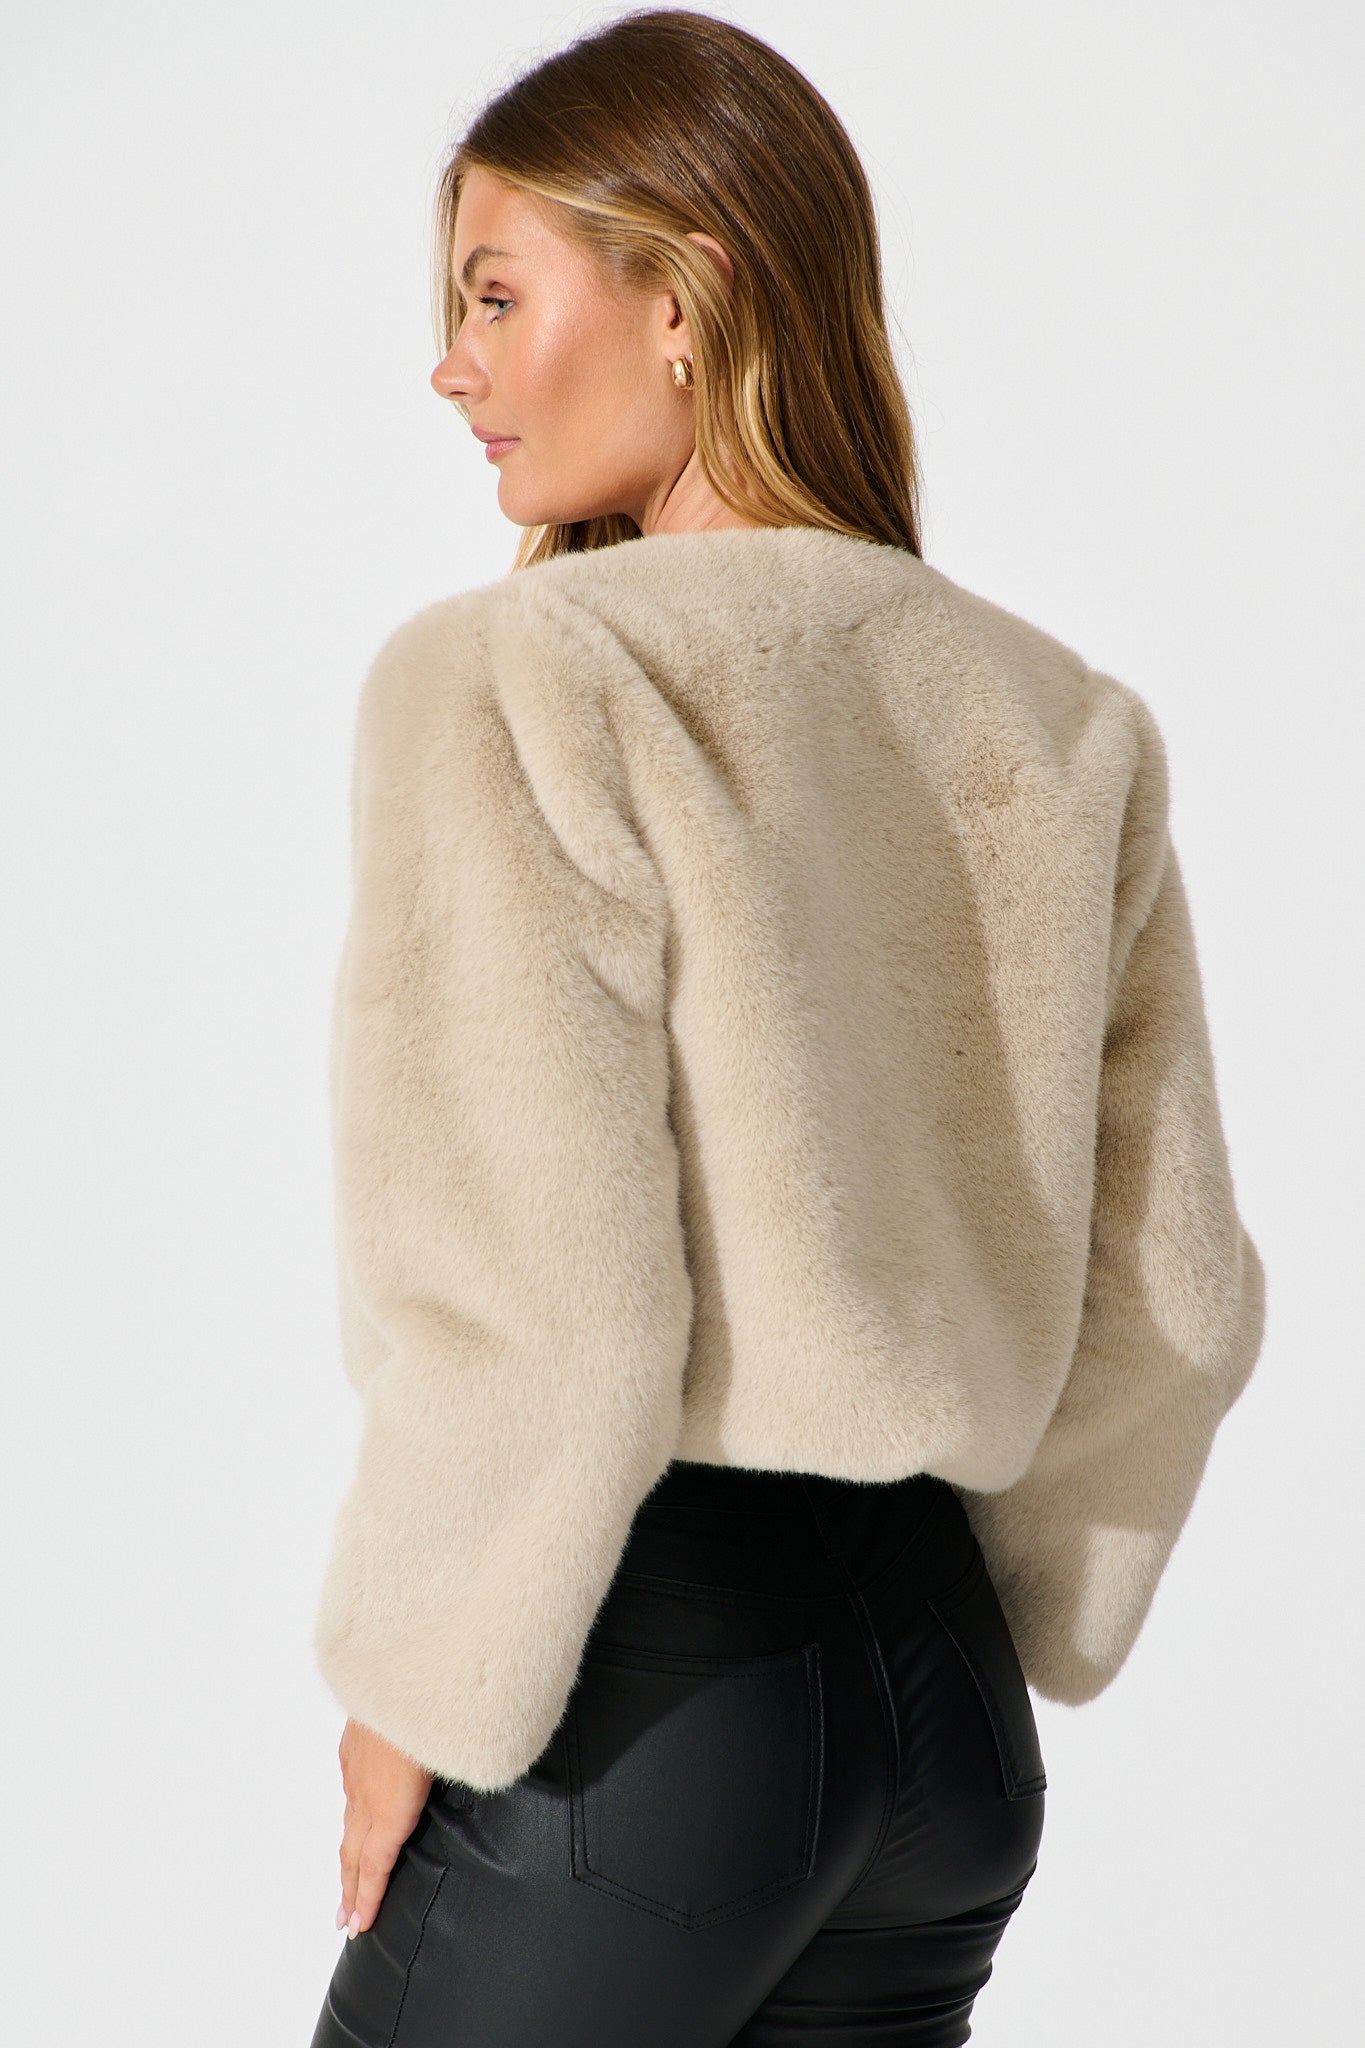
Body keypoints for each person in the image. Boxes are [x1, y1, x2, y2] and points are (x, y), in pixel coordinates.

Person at [307, 11, 1266, 2045]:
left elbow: (542, 1301)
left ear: (683, 296)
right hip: (947, 1729)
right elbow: (1173, 1295)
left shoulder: (525, 681)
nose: (451, 366)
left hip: (649, 1702)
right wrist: (1006, 1623)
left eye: (496, 293)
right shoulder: (1057, 722)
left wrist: (414, 1684)